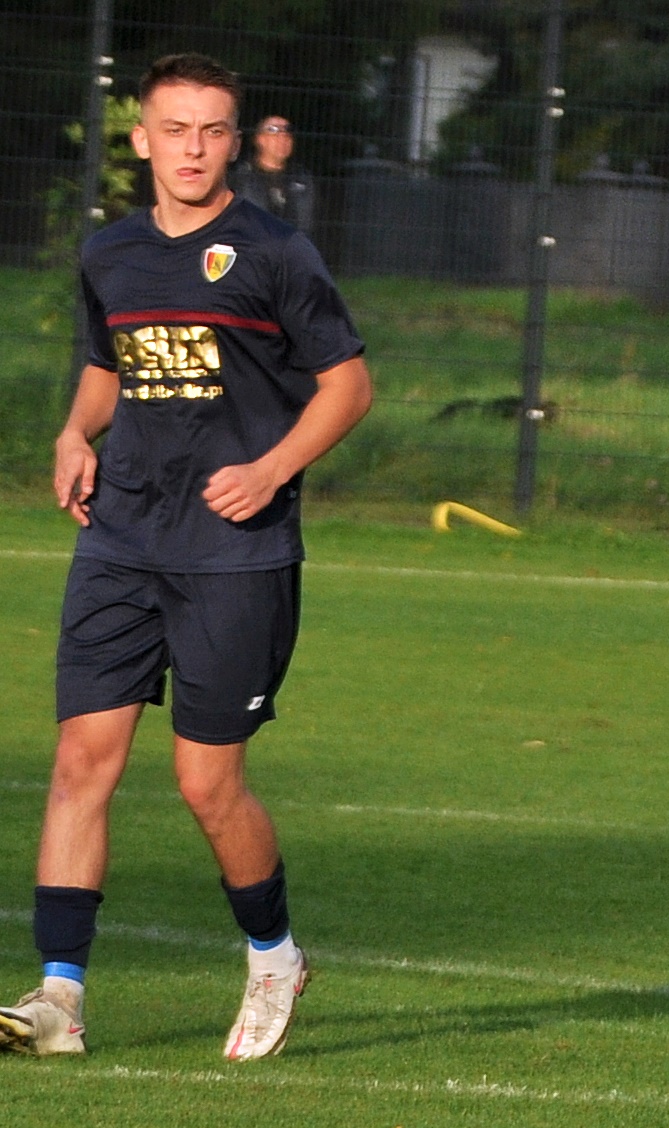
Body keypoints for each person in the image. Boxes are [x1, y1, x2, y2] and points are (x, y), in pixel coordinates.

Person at [6, 53, 371, 1062]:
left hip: (233, 554)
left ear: (236, 137)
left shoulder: (273, 251)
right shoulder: (111, 254)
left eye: (213, 130)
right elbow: (102, 364)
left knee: (207, 784)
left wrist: (272, 468)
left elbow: (347, 385)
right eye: (176, 129)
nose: (194, 148)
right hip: (121, 535)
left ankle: (273, 954)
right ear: (142, 139)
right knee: (81, 763)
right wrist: (76, 435)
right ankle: (59, 999)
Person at [230, 115, 314, 235]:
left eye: (287, 130)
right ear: (259, 138)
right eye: (273, 130)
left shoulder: (302, 179)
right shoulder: (240, 177)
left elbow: (308, 224)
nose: (282, 136)